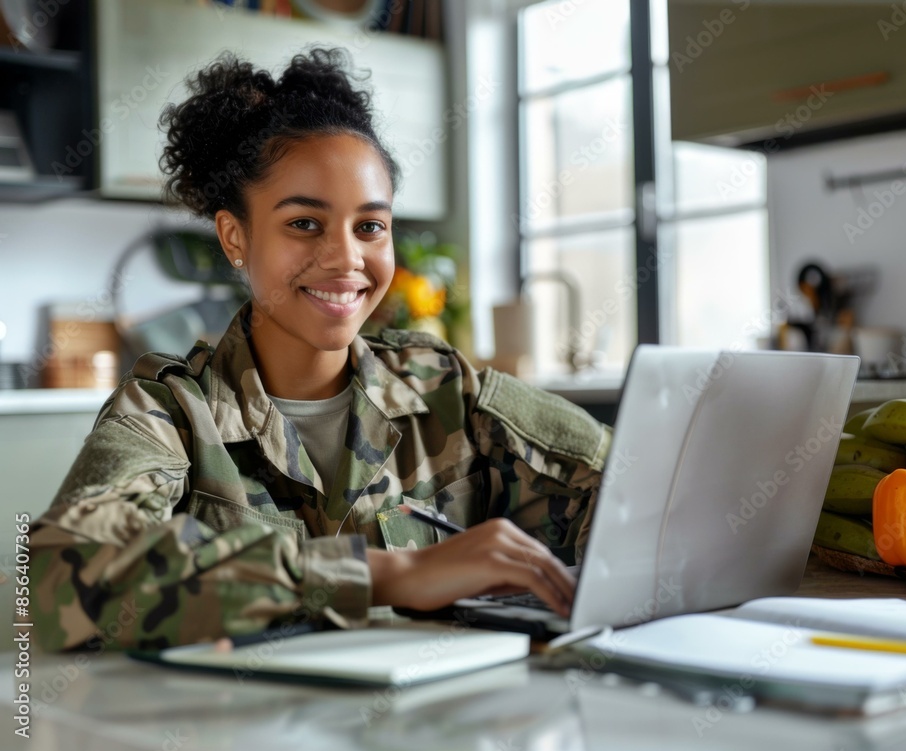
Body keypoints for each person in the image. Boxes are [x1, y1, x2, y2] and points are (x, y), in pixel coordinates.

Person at [28, 47, 611, 651]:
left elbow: (640, 492)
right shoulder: (168, 411)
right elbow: (58, 579)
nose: (347, 258)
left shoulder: (445, 387)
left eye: (370, 226)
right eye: (305, 223)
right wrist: (394, 574)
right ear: (235, 236)